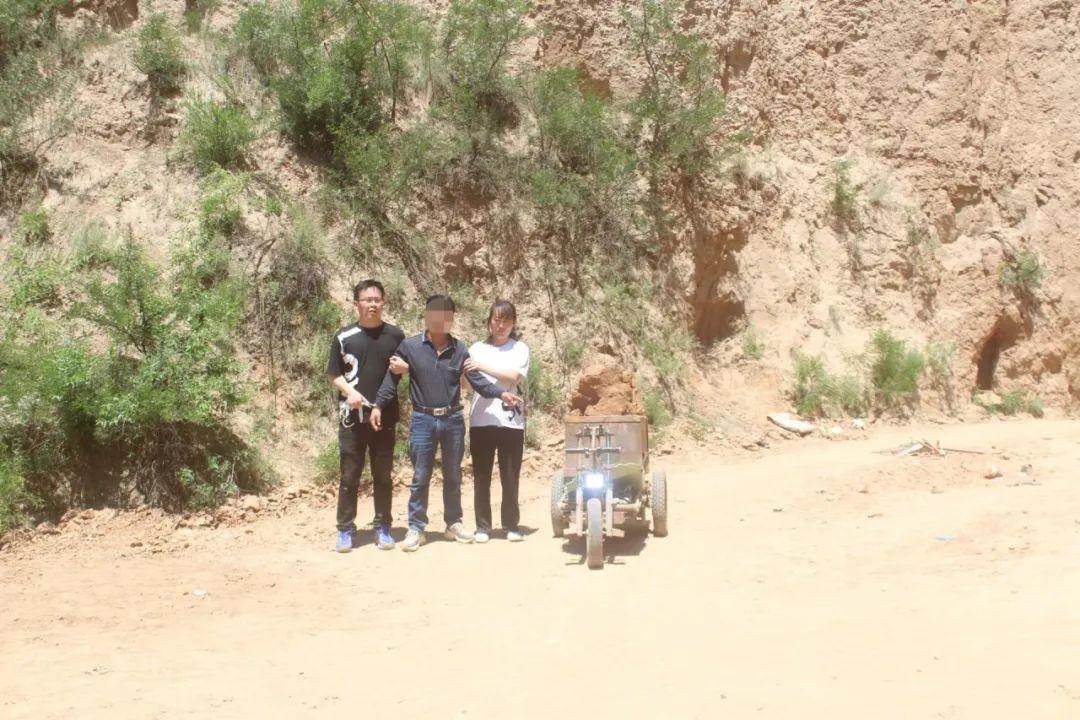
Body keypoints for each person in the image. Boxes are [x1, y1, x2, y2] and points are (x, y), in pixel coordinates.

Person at [371, 294, 521, 552]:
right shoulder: (410, 347)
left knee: (453, 475)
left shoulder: (460, 349)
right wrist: (378, 405)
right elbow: (391, 378)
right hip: (422, 420)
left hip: (452, 420)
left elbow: (478, 382)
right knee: (420, 476)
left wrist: (501, 394)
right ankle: (417, 528)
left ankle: (453, 524)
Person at [327, 280, 405, 553]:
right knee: (350, 476)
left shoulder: (396, 336)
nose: (373, 304)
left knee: (383, 476)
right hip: (352, 418)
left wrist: (404, 369)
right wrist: (350, 392)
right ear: (356, 304)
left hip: (384, 416)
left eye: (377, 299)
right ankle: (345, 529)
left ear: (383, 302)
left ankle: (383, 527)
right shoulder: (343, 337)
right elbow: (334, 374)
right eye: (367, 299)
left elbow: (399, 372)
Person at [464, 300, 530, 543]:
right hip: (480, 420)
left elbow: (513, 376)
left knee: (510, 476)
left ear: (513, 324)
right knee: (481, 476)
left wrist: (481, 367)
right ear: (489, 321)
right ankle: (483, 526)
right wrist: (465, 374)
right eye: (497, 319)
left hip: (511, 421)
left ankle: (511, 525)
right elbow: (467, 384)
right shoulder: (475, 348)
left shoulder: (519, 349)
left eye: (507, 321)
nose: (501, 325)